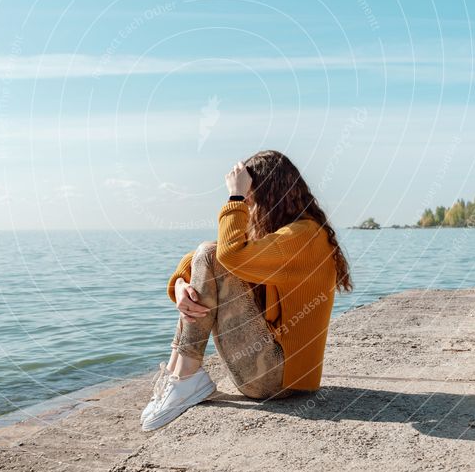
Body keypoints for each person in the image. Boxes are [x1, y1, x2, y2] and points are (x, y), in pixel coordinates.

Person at [140, 149, 353, 431]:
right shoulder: (290, 234)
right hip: (269, 373)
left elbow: (229, 255)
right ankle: (176, 375)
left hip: (277, 379)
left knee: (211, 253)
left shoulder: (304, 237)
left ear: (266, 193)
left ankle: (186, 377)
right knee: (208, 254)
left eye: (249, 196)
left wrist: (234, 199)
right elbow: (209, 257)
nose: (248, 205)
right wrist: (180, 283)